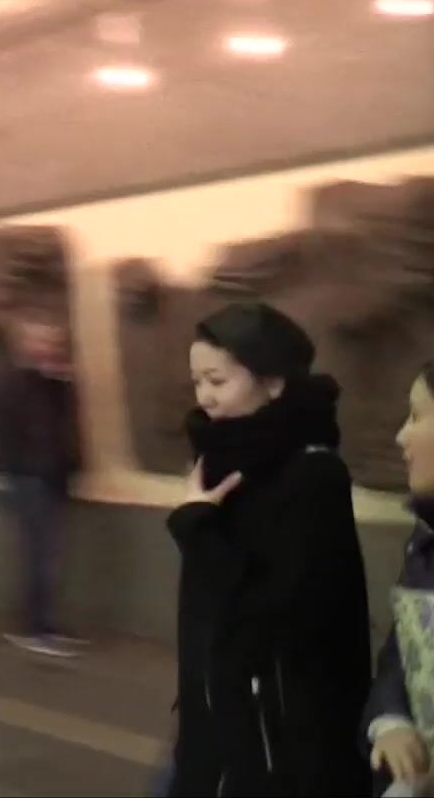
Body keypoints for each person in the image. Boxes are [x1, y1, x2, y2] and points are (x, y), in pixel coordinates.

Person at [168, 302, 370, 797]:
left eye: (218, 381)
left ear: (274, 382)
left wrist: (197, 527)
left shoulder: (312, 476)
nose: (204, 397)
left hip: (279, 738)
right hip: (216, 720)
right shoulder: (217, 463)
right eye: (197, 382)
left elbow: (273, 612)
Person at [0, 312, 85, 658]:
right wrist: (19, 463)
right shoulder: (9, 384)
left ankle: (44, 624)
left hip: (52, 477)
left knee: (49, 555)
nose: (50, 347)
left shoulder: (54, 383)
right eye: (42, 340)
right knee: (38, 556)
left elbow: (63, 426)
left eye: (54, 340)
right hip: (28, 478)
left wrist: (61, 384)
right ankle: (34, 628)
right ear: (24, 344)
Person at [367, 360, 434, 798]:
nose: (400, 436)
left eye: (416, 415)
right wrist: (390, 723)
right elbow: (401, 655)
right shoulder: (424, 539)